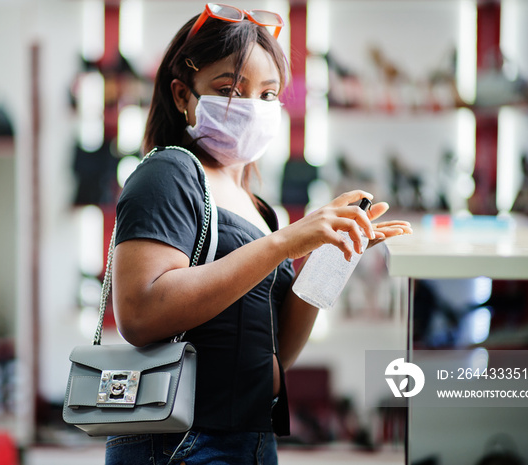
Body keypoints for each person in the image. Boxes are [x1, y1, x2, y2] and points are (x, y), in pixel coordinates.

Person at [107, 4, 413, 464]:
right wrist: (287, 242)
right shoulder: (168, 173)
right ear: (182, 94)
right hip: (182, 441)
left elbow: (280, 353)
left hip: (251, 435)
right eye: (230, 89)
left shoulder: (257, 208)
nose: (251, 107)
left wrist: (330, 256)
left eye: (268, 95)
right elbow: (140, 312)